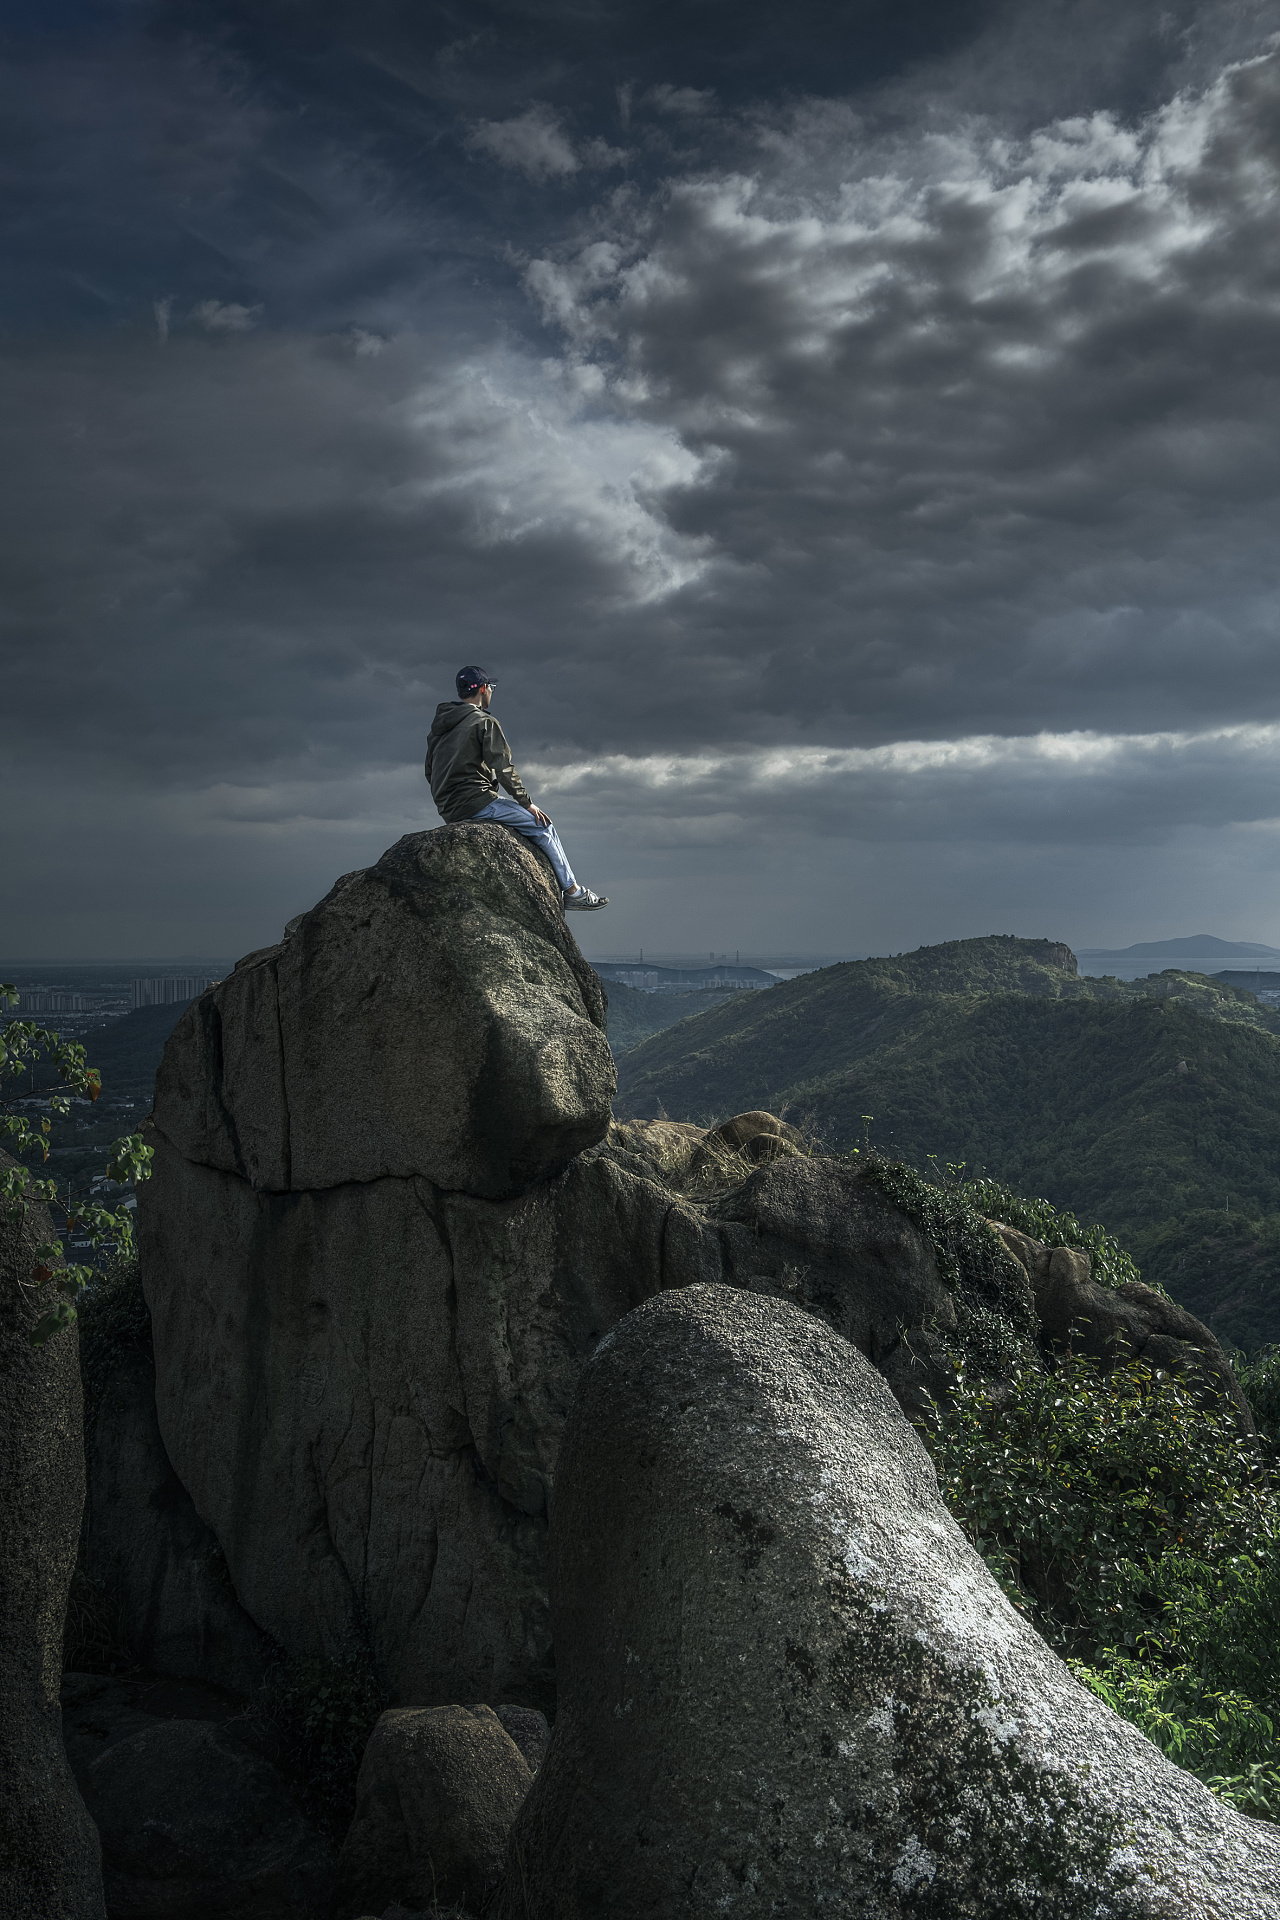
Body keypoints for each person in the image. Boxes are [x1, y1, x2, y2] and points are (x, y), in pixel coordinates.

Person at [424, 666, 608, 910]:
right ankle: (573, 893)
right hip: (475, 802)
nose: (491, 692)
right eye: (491, 687)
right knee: (543, 825)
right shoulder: (484, 722)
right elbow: (503, 768)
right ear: (482, 689)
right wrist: (526, 803)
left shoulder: (440, 727)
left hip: (448, 807)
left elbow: (429, 770)